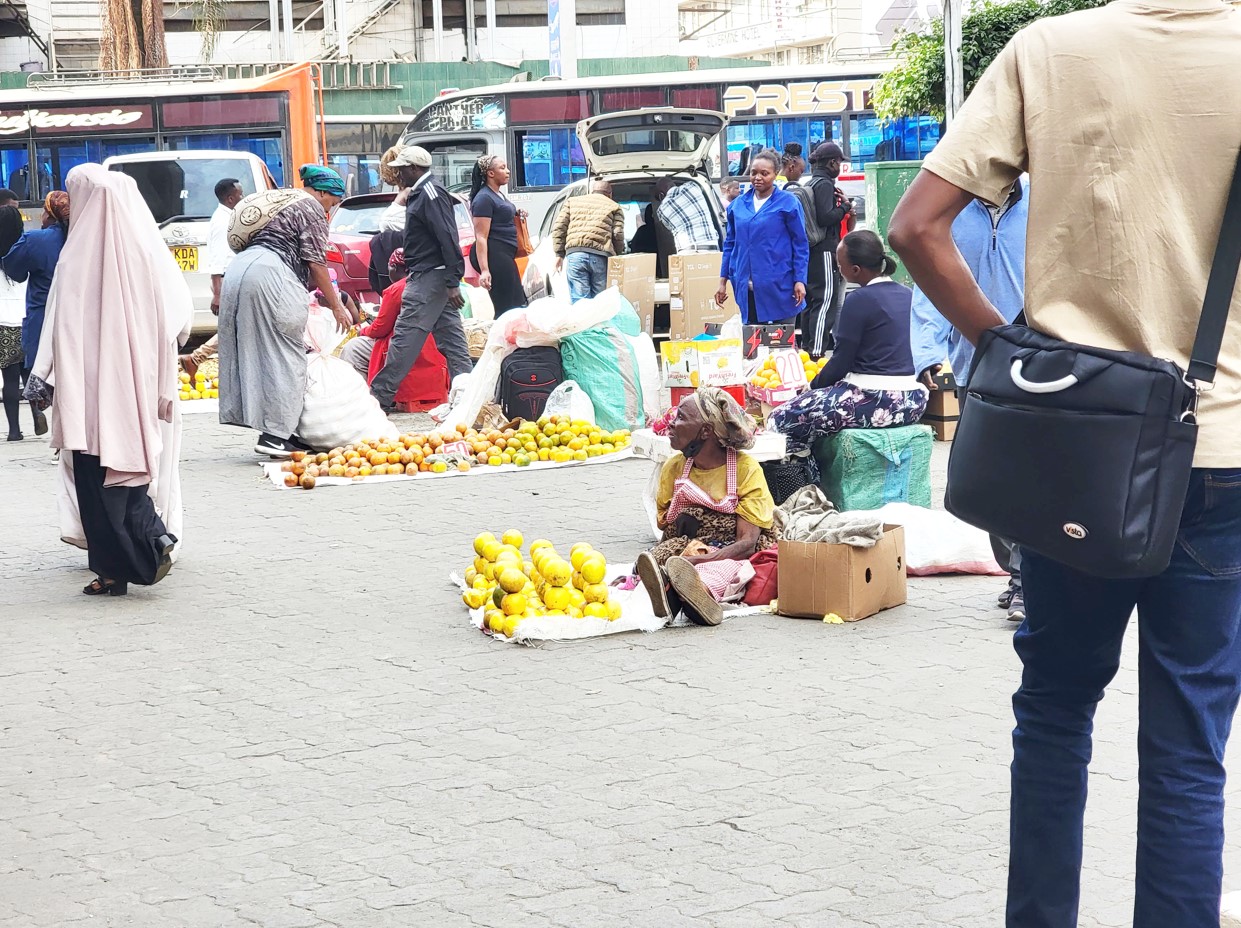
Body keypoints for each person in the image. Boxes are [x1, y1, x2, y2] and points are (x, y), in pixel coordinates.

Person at [886, 1, 1241, 924]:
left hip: (1073, 443)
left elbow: (917, 227)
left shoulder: (1049, 49)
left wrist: (1003, 354)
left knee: (1051, 715)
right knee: (1188, 747)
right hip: (1224, 452)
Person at [24, 165, 188, 597]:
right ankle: (150, 541)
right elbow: (170, 322)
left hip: (87, 394)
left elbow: (59, 326)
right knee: (129, 475)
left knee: (95, 485)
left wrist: (43, 376)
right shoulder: (143, 255)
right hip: (131, 390)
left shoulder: (75, 256)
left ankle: (116, 568)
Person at [910, 177, 1028, 622]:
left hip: (1041, 358)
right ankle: (1015, 568)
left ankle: (1025, 578)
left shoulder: (1043, 196)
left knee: (1030, 473)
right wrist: (927, 354)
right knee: (990, 476)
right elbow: (927, 283)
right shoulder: (949, 209)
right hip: (973, 361)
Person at [218, 179, 352, 458]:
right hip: (271, 273)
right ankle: (275, 436)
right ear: (323, 192)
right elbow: (316, 261)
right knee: (286, 354)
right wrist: (338, 306)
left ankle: (279, 431)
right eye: (333, 200)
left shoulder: (283, 203)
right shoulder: (311, 207)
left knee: (256, 351)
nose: (332, 207)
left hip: (240, 270)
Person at [768, 231, 927, 455]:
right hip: (913, 400)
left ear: (855, 270)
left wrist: (810, 388)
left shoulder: (858, 300)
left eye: (839, 265)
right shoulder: (906, 293)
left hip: (875, 400)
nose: (838, 270)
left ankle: (806, 480)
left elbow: (841, 362)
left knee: (781, 417)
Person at [635, 388, 780, 627]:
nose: (671, 423)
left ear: (705, 431)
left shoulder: (746, 469)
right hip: (691, 545)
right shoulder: (674, 468)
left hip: (734, 551)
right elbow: (666, 526)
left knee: (726, 571)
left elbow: (746, 544)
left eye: (681, 417)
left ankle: (697, 597)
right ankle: (675, 593)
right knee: (659, 558)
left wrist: (696, 563)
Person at [369, 145, 473, 413]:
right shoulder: (423, 192)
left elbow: (447, 237)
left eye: (401, 169)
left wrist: (452, 281)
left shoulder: (430, 194)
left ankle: (379, 396)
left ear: (414, 169)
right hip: (434, 277)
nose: (398, 174)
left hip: (429, 278)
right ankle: (469, 393)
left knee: (405, 338)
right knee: (451, 338)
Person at [4, 189, 69, 438]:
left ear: (49, 214)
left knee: (45, 376)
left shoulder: (36, 240)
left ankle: (56, 428)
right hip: (82, 321)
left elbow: (15, 270)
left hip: (43, 320)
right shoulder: (88, 239)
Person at [716, 149, 808, 326]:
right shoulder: (737, 205)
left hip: (781, 286)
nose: (757, 177)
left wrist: (800, 280)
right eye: (753, 173)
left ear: (775, 174)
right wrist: (723, 281)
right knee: (753, 345)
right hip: (747, 287)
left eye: (764, 173)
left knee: (781, 344)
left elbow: (800, 244)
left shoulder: (788, 203)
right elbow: (730, 245)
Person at [180, 177, 244, 380]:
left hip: (231, 280)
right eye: (241, 195)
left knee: (236, 327)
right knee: (236, 327)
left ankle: (196, 358)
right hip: (225, 282)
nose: (243, 198)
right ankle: (196, 358)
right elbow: (217, 261)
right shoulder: (222, 222)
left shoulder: (230, 217)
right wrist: (217, 294)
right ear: (231, 198)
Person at [801, 142, 855, 356]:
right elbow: (825, 218)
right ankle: (817, 351)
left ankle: (807, 349)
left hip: (813, 251)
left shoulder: (812, 182)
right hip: (825, 250)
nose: (840, 167)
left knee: (812, 302)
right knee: (825, 300)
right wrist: (845, 207)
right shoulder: (824, 184)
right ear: (832, 162)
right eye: (839, 162)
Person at [468, 154, 527, 315]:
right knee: (508, 305)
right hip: (494, 254)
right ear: (490, 173)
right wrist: (485, 270)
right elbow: (481, 236)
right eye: (502, 168)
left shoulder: (497, 194)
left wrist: (516, 212)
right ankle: (502, 337)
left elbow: (501, 214)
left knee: (516, 300)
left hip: (504, 253)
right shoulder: (483, 198)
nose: (507, 171)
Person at [551, 178, 626, 303]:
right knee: (600, 301)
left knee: (581, 302)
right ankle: (600, 322)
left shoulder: (572, 202)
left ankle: (583, 322)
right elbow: (617, 233)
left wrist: (559, 254)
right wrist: (617, 256)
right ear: (610, 194)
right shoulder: (614, 206)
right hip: (601, 256)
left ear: (591, 191)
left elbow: (559, 228)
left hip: (576, 255)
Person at [0, 195, 31, 441]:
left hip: (2, 323)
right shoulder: (26, 249)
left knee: (9, 379)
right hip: (27, 319)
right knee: (30, 374)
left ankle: (13, 431)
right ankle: (37, 412)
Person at [657, 179, 722, 253]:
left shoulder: (662, 210)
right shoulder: (692, 186)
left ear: (661, 196)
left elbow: (668, 228)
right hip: (711, 247)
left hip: (687, 250)